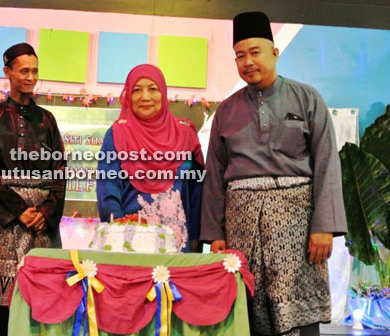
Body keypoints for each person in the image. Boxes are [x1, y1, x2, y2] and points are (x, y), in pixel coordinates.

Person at [201, 11, 347, 336]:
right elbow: (214, 175)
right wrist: (215, 233)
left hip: (297, 223)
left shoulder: (307, 99)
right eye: (240, 55)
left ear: (274, 53)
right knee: (245, 302)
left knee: (295, 306)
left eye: (255, 52)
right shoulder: (225, 110)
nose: (248, 61)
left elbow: (326, 163)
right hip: (241, 222)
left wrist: (324, 227)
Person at [0, 42, 66, 335]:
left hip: (42, 225)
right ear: (8, 72)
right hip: (5, 223)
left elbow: (60, 170)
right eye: (24, 70)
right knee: (0, 304)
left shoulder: (47, 120)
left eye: (35, 71)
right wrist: (19, 211)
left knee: (44, 300)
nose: (30, 77)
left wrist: (45, 212)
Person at [96, 64, 204, 252]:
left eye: (152, 89)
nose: (145, 97)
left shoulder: (186, 134)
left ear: (163, 92)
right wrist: (118, 234)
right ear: (129, 96)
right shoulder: (117, 134)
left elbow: (197, 192)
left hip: (178, 244)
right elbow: (108, 188)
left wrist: (196, 238)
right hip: (130, 243)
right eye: (137, 90)